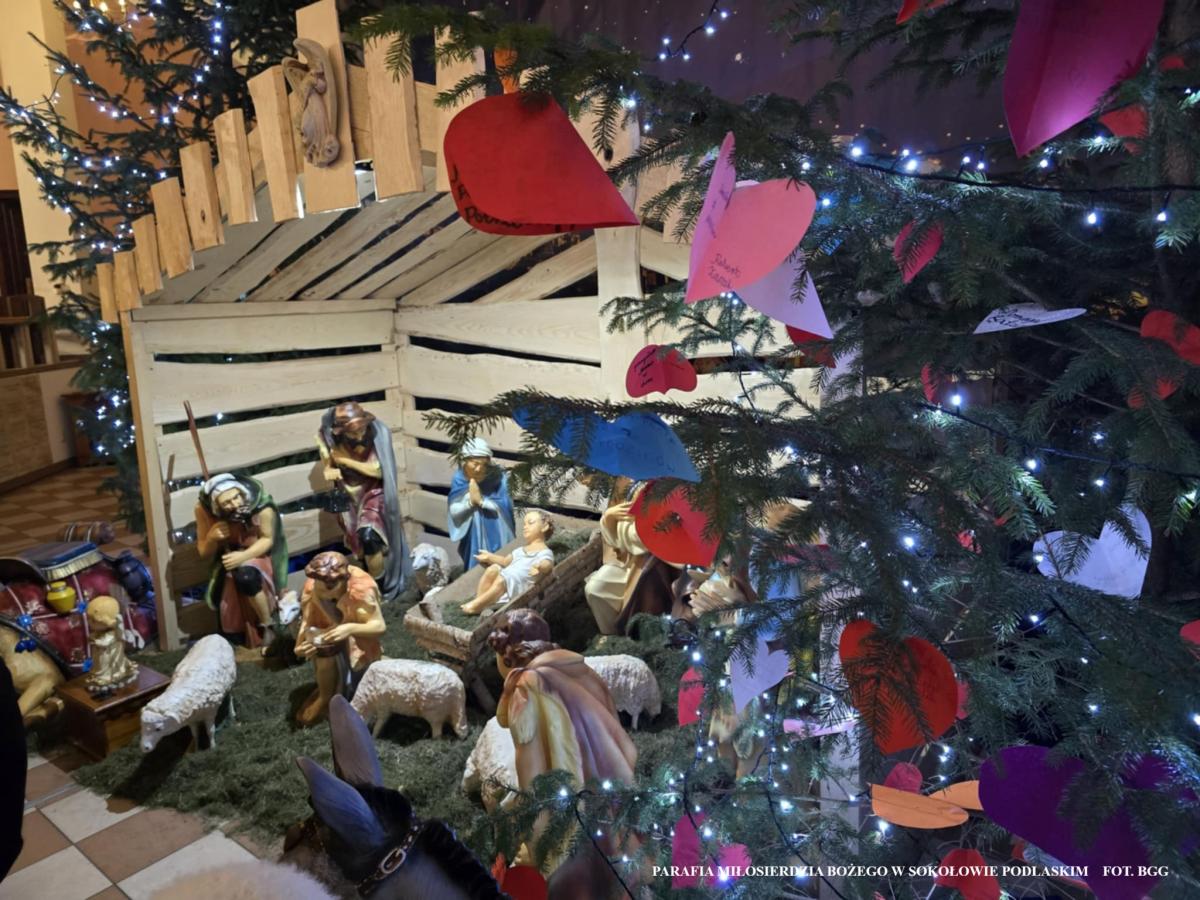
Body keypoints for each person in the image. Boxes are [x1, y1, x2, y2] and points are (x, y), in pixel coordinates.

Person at [317, 402, 410, 602]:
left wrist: (345, 461)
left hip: (374, 492)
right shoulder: (329, 439)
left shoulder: (377, 436)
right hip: (349, 496)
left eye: (362, 430)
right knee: (358, 546)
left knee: (369, 536)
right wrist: (329, 468)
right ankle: (368, 581)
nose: (359, 436)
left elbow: (378, 470)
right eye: (353, 433)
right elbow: (329, 462)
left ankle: (380, 590)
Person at [293, 551, 386, 726]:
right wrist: (300, 646)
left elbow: (379, 626)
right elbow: (307, 621)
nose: (323, 595)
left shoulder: (361, 589)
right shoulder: (312, 586)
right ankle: (325, 697)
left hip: (359, 640)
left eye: (328, 591)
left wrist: (349, 628)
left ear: (342, 581)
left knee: (362, 673)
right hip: (328, 635)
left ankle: (358, 693)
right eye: (318, 588)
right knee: (324, 657)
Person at [195, 474, 287, 649]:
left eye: (236, 497)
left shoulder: (263, 508)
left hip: (257, 557)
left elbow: (267, 539)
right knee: (229, 590)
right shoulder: (207, 513)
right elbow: (204, 552)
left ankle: (268, 625)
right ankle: (236, 634)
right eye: (227, 503)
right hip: (230, 561)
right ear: (218, 506)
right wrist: (212, 538)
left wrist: (243, 557)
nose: (235, 504)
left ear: (242, 492)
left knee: (246, 577)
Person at [584, 479, 679, 634]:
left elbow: (650, 537)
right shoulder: (625, 481)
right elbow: (614, 543)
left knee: (646, 590)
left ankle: (637, 635)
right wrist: (609, 518)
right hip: (626, 560)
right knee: (595, 589)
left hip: (658, 567)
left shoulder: (671, 486)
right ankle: (610, 636)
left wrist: (618, 526)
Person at [461, 510, 555, 616]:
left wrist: (540, 566)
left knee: (503, 578)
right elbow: (505, 561)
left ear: (544, 527)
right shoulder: (520, 550)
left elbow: (548, 564)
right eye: (524, 524)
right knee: (492, 569)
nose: (525, 527)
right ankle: (480, 602)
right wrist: (489, 557)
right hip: (510, 576)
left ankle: (474, 606)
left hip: (519, 584)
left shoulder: (544, 551)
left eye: (530, 523)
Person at [447, 437, 515, 570]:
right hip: (473, 533)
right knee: (475, 564)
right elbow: (453, 511)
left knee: (500, 561)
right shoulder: (459, 478)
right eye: (474, 464)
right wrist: (470, 503)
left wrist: (482, 502)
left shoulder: (498, 476)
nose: (478, 469)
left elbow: (506, 505)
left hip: (497, 528)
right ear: (465, 460)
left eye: (483, 464)